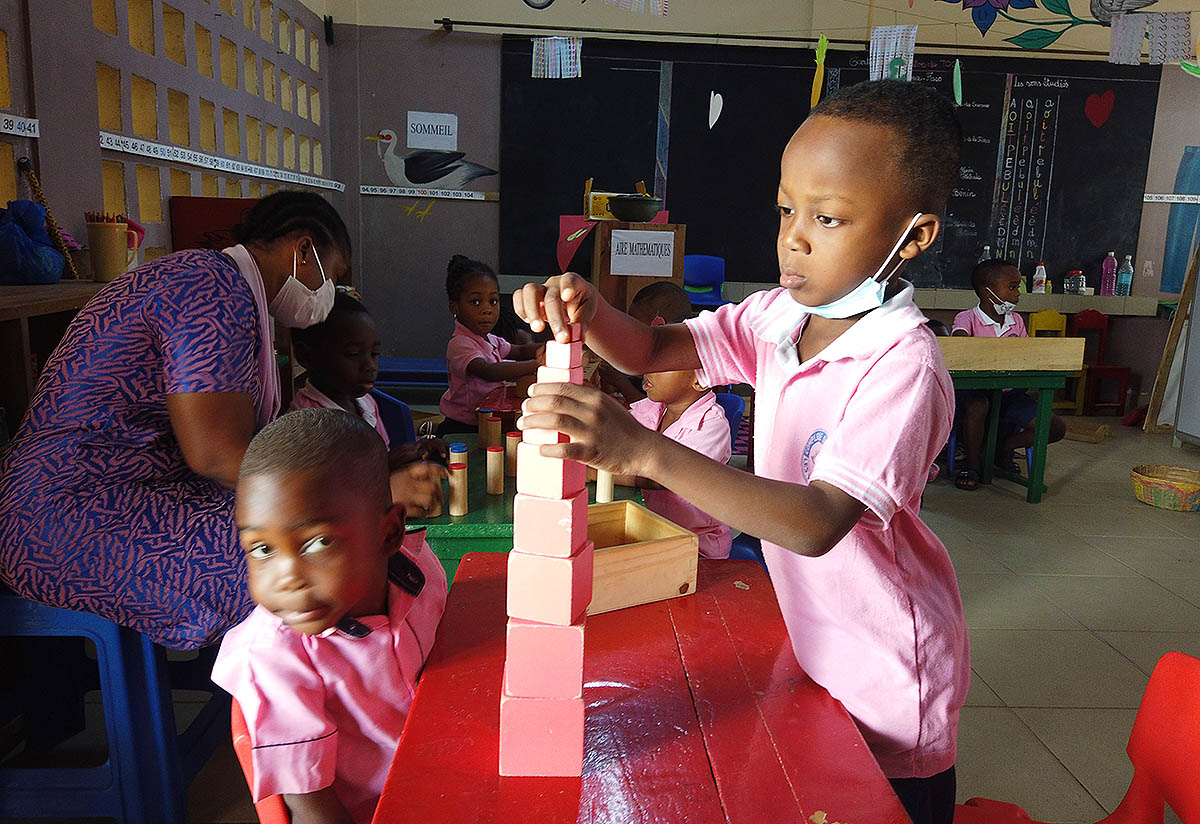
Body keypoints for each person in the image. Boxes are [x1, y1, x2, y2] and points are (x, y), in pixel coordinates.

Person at [515, 80, 968, 824]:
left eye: (829, 218)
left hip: (887, 682)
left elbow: (817, 522)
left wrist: (646, 453)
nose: (794, 237)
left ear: (912, 236)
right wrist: (589, 309)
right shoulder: (784, 317)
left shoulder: (901, 366)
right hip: (819, 653)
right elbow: (657, 345)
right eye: (788, 209)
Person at [0, 191, 376, 649]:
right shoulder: (210, 288)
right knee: (313, 569)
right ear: (303, 250)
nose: (329, 295)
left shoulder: (220, 285)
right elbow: (218, 456)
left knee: (327, 543)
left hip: (126, 494)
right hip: (66, 514)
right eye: (333, 276)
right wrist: (347, 499)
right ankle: (305, 713)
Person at [212, 409, 446, 824]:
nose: (287, 578)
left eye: (317, 542)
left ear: (389, 533)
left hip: (443, 768)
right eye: (262, 549)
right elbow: (309, 804)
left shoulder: (418, 569)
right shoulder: (274, 660)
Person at [289, 291, 450, 503]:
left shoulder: (365, 403)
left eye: (374, 354)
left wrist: (414, 451)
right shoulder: (306, 425)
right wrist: (388, 495)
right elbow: (322, 499)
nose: (369, 366)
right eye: (354, 354)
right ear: (306, 356)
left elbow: (370, 467)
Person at [950, 259, 1066, 491]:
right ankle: (973, 464)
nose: (1018, 293)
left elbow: (1027, 354)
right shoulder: (967, 318)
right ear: (987, 291)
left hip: (1009, 394)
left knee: (1054, 427)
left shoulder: (1017, 321)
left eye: (1018, 287)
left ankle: (998, 448)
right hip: (977, 392)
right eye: (1012, 287)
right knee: (977, 406)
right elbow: (959, 345)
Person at [620, 369, 732, 559]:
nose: (648, 371)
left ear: (699, 381)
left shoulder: (711, 425)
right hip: (652, 529)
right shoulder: (655, 408)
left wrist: (603, 473)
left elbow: (666, 477)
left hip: (694, 544)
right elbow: (623, 435)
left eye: (661, 367)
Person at [437, 255, 541, 435]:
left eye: (493, 301)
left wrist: (554, 347)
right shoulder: (460, 344)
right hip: (464, 427)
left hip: (488, 417)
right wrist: (538, 364)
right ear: (454, 307)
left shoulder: (490, 339)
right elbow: (489, 372)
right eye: (475, 302)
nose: (487, 309)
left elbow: (520, 351)